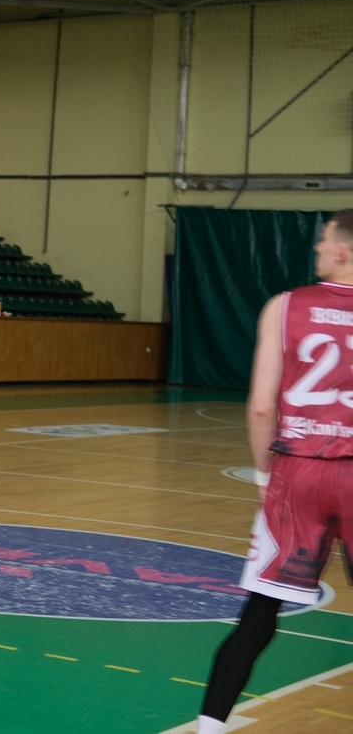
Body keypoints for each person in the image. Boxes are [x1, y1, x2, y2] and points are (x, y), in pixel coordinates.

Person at [192, 212, 353, 734]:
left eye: (323, 241)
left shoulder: (283, 306)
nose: (317, 249)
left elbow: (261, 407)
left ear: (343, 251)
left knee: (259, 614)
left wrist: (266, 479)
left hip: (297, 472)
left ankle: (211, 726)